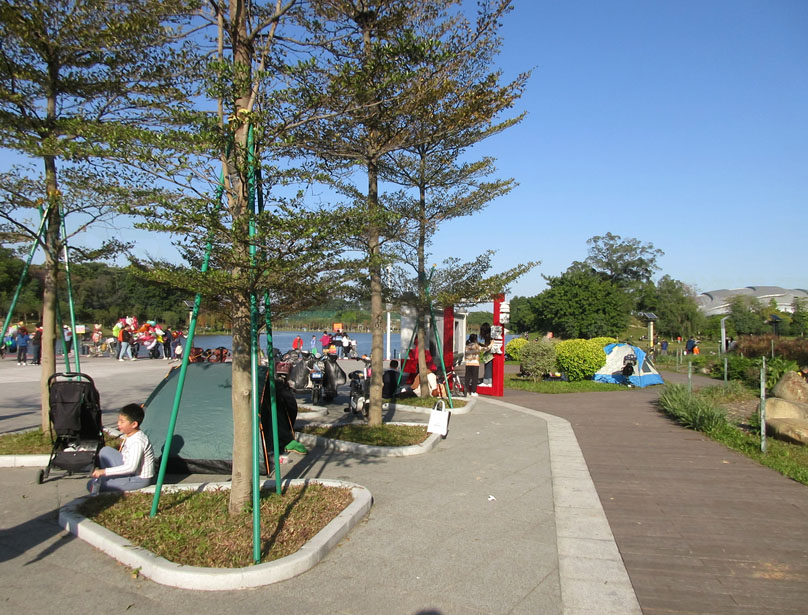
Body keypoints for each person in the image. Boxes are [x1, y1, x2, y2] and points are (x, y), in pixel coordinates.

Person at [87, 403, 155, 494]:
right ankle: (113, 479)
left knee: (91, 484)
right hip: (128, 470)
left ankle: (111, 482)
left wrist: (104, 471)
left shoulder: (137, 442)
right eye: (118, 420)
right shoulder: (131, 434)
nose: (118, 424)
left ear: (134, 424)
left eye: (122, 422)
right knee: (105, 451)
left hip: (138, 478)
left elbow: (131, 467)